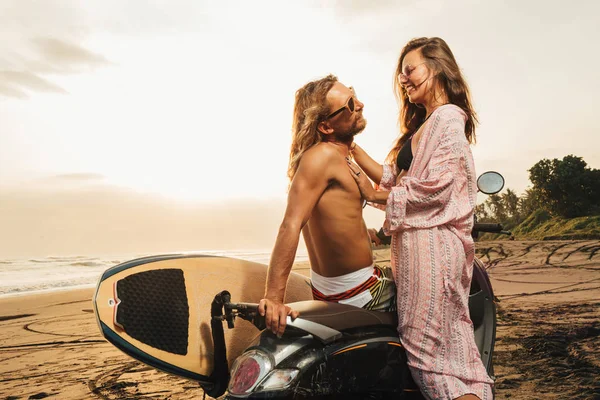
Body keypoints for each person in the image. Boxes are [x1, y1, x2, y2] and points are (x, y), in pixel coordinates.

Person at [347, 37, 494, 400]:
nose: (403, 79)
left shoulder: (447, 119)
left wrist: (369, 195)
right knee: (453, 355)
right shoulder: (428, 124)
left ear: (438, 66)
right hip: (420, 248)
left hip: (431, 249)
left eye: (410, 69)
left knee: (427, 355)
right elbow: (395, 179)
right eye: (401, 74)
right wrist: (350, 146)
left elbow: (434, 189)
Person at [258, 75, 396, 338]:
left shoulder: (337, 155)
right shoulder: (322, 157)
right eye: (351, 104)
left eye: (354, 95)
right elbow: (291, 223)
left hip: (346, 287)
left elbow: (330, 215)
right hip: (361, 294)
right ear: (326, 127)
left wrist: (362, 235)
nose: (361, 105)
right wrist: (274, 297)